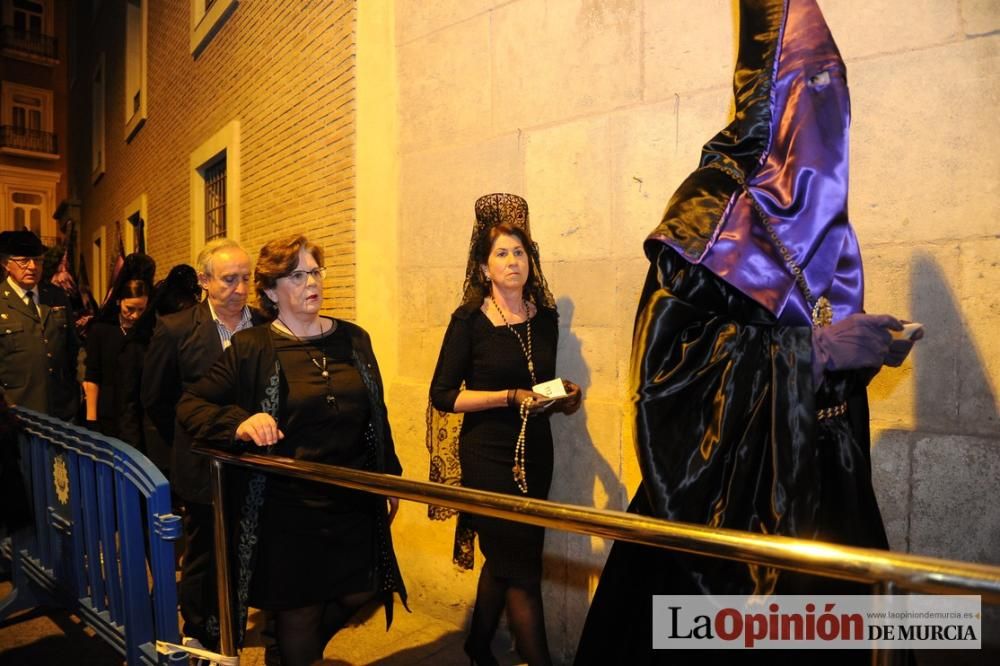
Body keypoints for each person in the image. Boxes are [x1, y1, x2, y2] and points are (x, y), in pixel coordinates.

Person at [574, 1, 921, 664]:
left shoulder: (827, 228)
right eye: (814, 87)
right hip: (726, 496)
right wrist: (814, 352)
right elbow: (667, 368)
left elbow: (805, 334)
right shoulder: (708, 207)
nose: (831, 109)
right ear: (773, 97)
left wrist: (861, 346)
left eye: (836, 89)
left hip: (826, 485)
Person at [176, 234, 407, 666]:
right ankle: (293, 650)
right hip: (287, 508)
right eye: (297, 275)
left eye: (315, 272)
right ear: (270, 291)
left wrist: (387, 476)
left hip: (352, 499)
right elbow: (192, 404)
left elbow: (377, 411)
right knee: (300, 610)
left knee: (366, 586)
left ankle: (286, 652)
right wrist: (240, 422)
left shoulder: (354, 339)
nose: (311, 282)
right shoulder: (252, 348)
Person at [429, 193, 581, 666]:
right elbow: (444, 395)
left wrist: (563, 393)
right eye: (502, 254)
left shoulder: (547, 319)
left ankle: (477, 644)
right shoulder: (469, 322)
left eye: (519, 252)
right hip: (488, 456)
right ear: (483, 268)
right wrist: (508, 397)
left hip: (535, 453)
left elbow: (540, 381)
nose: (513, 262)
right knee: (523, 572)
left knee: (507, 559)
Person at [142, 238, 263, 654]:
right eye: (230, 279)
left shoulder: (266, 325)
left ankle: (238, 616)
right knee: (204, 552)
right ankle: (197, 627)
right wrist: (188, 442)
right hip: (200, 461)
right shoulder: (176, 328)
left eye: (247, 278)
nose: (242, 289)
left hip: (257, 462)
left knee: (252, 544)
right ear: (204, 281)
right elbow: (156, 399)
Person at [0, 230, 79, 422]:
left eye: (38, 260)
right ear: (6, 263)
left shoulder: (56, 296)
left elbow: (73, 347)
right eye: (24, 261)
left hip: (61, 409)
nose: (33, 267)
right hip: (16, 412)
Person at [82, 279, 149, 437]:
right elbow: (92, 375)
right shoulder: (101, 331)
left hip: (138, 413)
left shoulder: (148, 333)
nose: (135, 316)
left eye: (141, 310)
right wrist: (91, 418)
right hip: (107, 410)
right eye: (130, 309)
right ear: (119, 301)